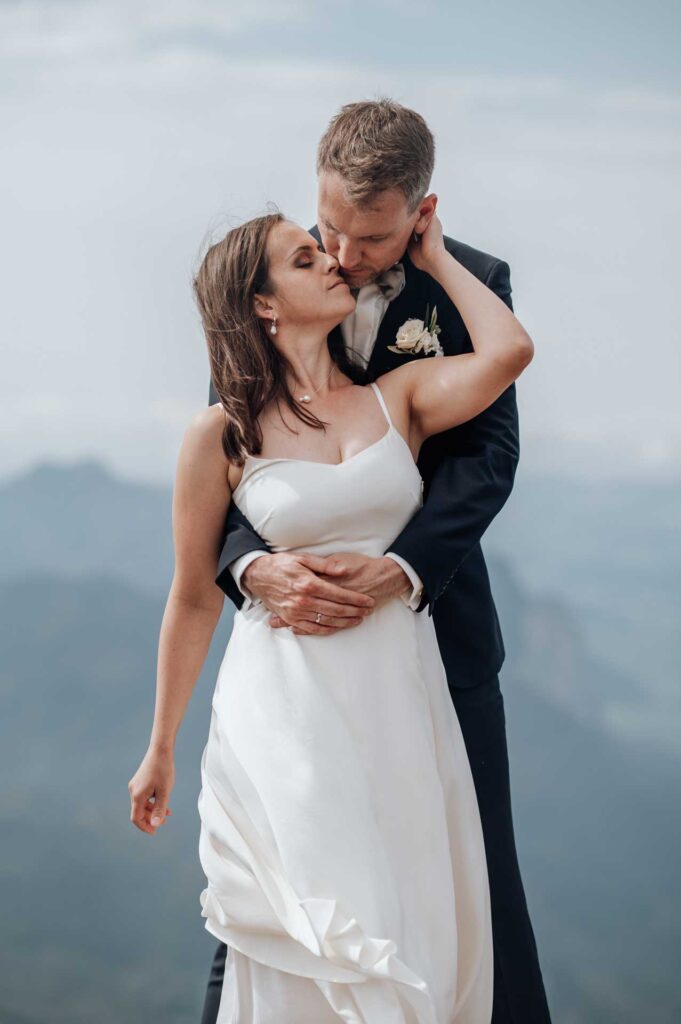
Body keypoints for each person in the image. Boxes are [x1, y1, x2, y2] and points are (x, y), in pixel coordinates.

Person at [128, 191, 533, 1020]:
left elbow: (509, 351)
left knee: (409, 917)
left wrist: (433, 254)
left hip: (400, 696)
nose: (332, 259)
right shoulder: (220, 432)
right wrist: (160, 747)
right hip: (285, 706)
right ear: (263, 305)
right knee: (314, 920)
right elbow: (193, 596)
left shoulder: (398, 395)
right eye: (305, 257)